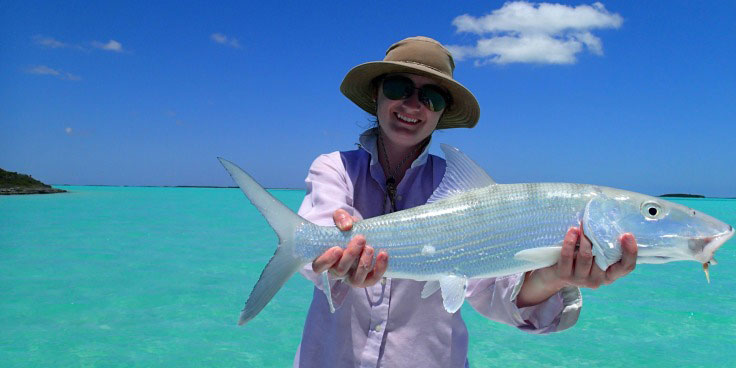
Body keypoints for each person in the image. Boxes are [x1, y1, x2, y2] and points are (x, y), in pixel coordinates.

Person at [293, 36, 638, 368]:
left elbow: (493, 290)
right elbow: (319, 235)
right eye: (398, 88)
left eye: (432, 97)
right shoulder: (333, 168)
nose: (413, 105)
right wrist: (331, 258)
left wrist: (556, 277)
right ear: (376, 93)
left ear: (443, 111)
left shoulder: (467, 194)